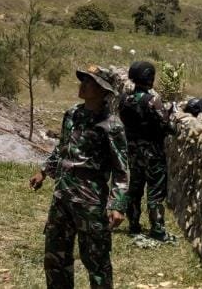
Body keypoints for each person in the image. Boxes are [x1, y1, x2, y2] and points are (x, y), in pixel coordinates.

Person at [29, 65, 130, 289]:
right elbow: (62, 148)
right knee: (55, 257)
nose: (82, 85)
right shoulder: (72, 114)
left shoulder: (111, 126)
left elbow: (121, 168)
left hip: (90, 201)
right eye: (82, 80)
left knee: (97, 262)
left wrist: (118, 204)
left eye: (89, 82)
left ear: (103, 90)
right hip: (62, 195)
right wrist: (44, 172)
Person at [119, 61, 176, 242]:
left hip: (134, 152)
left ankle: (134, 225)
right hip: (153, 153)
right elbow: (169, 126)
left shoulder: (124, 100)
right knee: (155, 192)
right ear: (149, 77)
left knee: (135, 189)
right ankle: (157, 230)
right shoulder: (152, 100)